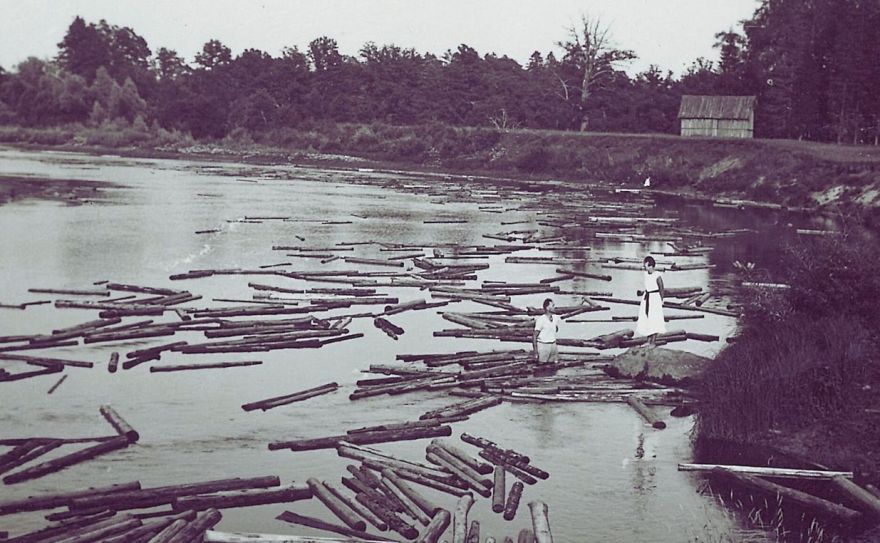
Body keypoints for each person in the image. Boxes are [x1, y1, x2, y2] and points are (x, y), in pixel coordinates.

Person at [635, 256, 666, 345]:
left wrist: (661, 300)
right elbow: (648, 286)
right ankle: (648, 340)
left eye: (646, 266)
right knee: (646, 318)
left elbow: (661, 288)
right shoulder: (646, 274)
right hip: (647, 298)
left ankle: (653, 342)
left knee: (654, 319)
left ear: (651, 266)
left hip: (655, 299)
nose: (645, 267)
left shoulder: (657, 276)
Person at [533, 298, 559, 364]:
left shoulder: (555, 318)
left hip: (553, 345)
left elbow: (555, 329)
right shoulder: (541, 319)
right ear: (547, 308)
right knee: (542, 365)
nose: (554, 307)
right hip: (543, 345)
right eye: (552, 305)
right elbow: (534, 336)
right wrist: (535, 352)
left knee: (553, 365)